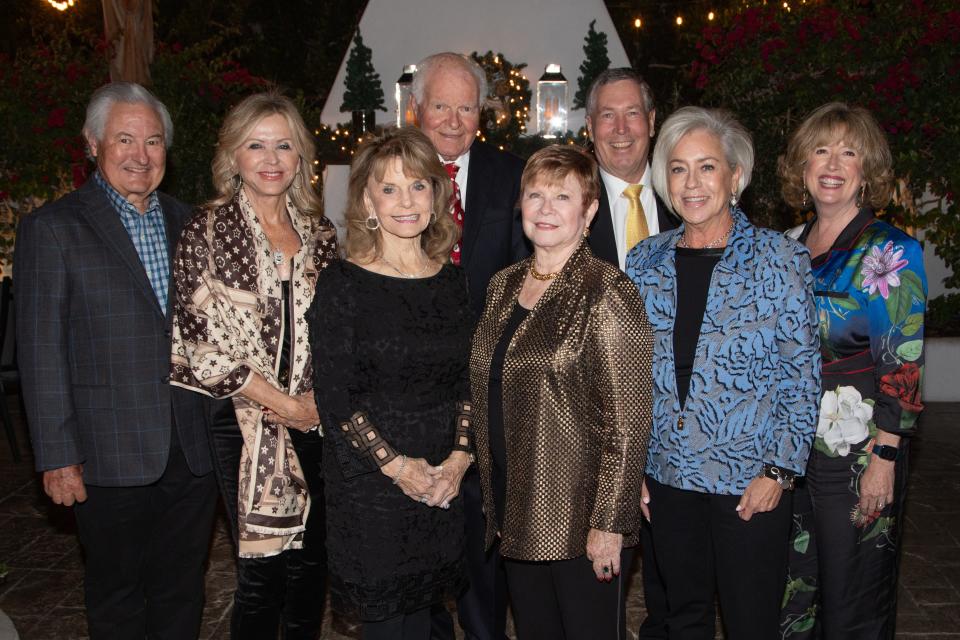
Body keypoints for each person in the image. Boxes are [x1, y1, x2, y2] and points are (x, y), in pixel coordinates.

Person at [14, 81, 217, 640]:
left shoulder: (192, 224)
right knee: (117, 595)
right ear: (92, 144)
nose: (140, 155)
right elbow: (40, 351)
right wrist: (57, 456)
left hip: (191, 450)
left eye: (153, 142)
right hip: (106, 457)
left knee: (182, 588)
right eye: (124, 139)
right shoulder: (52, 230)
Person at [625, 107, 821, 639]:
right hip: (666, 478)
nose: (692, 183)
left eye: (707, 167)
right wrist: (633, 465)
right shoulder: (644, 261)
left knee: (750, 622)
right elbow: (628, 376)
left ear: (736, 176)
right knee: (680, 618)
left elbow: (801, 376)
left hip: (749, 481)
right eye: (679, 168)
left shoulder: (780, 258)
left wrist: (780, 471)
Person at [170, 91, 339, 639]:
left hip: (317, 415)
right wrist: (287, 404)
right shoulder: (208, 232)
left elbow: (341, 329)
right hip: (243, 418)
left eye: (283, 145)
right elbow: (204, 347)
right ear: (233, 157)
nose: (271, 158)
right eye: (256, 145)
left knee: (314, 564)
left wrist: (318, 404)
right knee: (262, 574)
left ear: (299, 158)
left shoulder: (320, 234)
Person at [470, 144, 654, 639]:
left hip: (581, 517)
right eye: (534, 195)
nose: (545, 209)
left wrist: (610, 523)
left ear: (590, 209)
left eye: (562, 196)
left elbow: (628, 419)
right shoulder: (503, 286)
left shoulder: (607, 290)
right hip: (515, 508)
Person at [307, 127, 473, 640]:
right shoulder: (343, 284)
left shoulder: (452, 281)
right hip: (372, 491)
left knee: (426, 624)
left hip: (442, 486)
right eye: (389, 188)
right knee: (386, 629)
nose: (407, 201)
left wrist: (459, 461)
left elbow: (468, 380)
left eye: (419, 185)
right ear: (366, 201)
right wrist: (400, 469)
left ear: (437, 196)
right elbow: (337, 400)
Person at [778, 102, 927, 639]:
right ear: (801, 167)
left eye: (849, 151)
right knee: (794, 593)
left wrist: (885, 456)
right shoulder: (789, 247)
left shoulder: (889, 251)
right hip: (790, 455)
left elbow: (903, 365)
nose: (833, 163)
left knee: (853, 599)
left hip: (859, 452)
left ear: (868, 169)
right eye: (820, 150)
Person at [411, 51, 529, 640]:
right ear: (415, 110)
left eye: (466, 106)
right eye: (441, 105)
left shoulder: (513, 177)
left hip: (491, 392)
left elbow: (527, 281)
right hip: (409, 395)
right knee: (421, 533)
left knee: (483, 534)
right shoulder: (388, 173)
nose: (454, 120)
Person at [584, 66, 678, 637]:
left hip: (676, 422)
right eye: (606, 115)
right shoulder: (566, 200)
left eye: (632, 113)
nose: (621, 129)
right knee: (600, 576)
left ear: (652, 122)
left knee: (674, 573)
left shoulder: (689, 194)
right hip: (593, 421)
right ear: (590, 127)